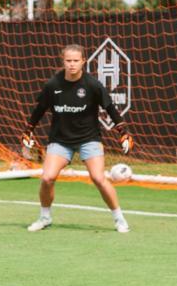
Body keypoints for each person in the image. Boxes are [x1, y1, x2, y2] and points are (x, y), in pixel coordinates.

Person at [24, 44, 131, 234]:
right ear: (62, 61)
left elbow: (111, 109)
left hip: (88, 138)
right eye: (68, 61)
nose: (72, 64)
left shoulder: (92, 85)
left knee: (98, 178)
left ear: (83, 61)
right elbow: (39, 110)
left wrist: (123, 132)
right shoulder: (53, 85)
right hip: (60, 139)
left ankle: (119, 219)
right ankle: (44, 217)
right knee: (47, 178)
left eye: (75, 61)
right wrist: (28, 130)